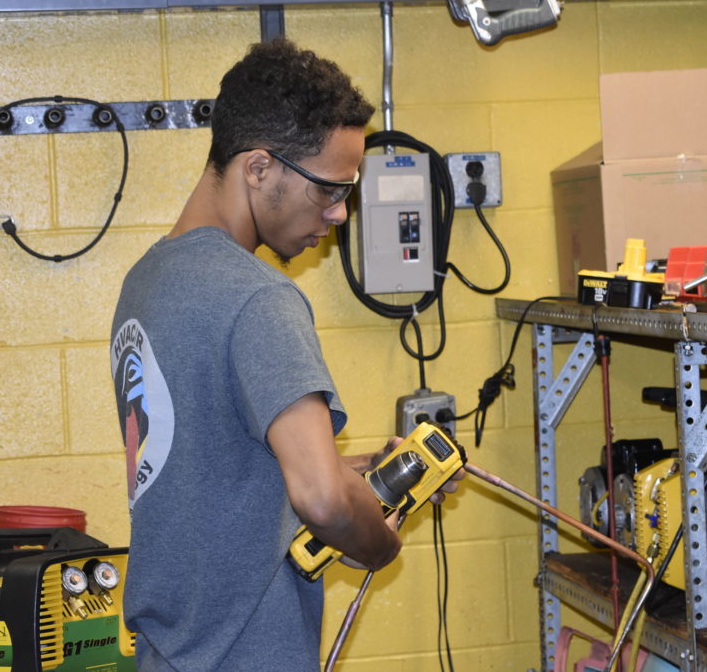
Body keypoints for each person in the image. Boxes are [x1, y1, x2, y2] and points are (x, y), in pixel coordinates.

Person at [110, 37, 458, 671]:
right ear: (259, 168)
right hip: (247, 652)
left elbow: (210, 471)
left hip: (168, 653)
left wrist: (355, 470)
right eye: (328, 190)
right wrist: (379, 544)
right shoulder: (259, 297)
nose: (341, 214)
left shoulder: (147, 281)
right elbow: (321, 501)